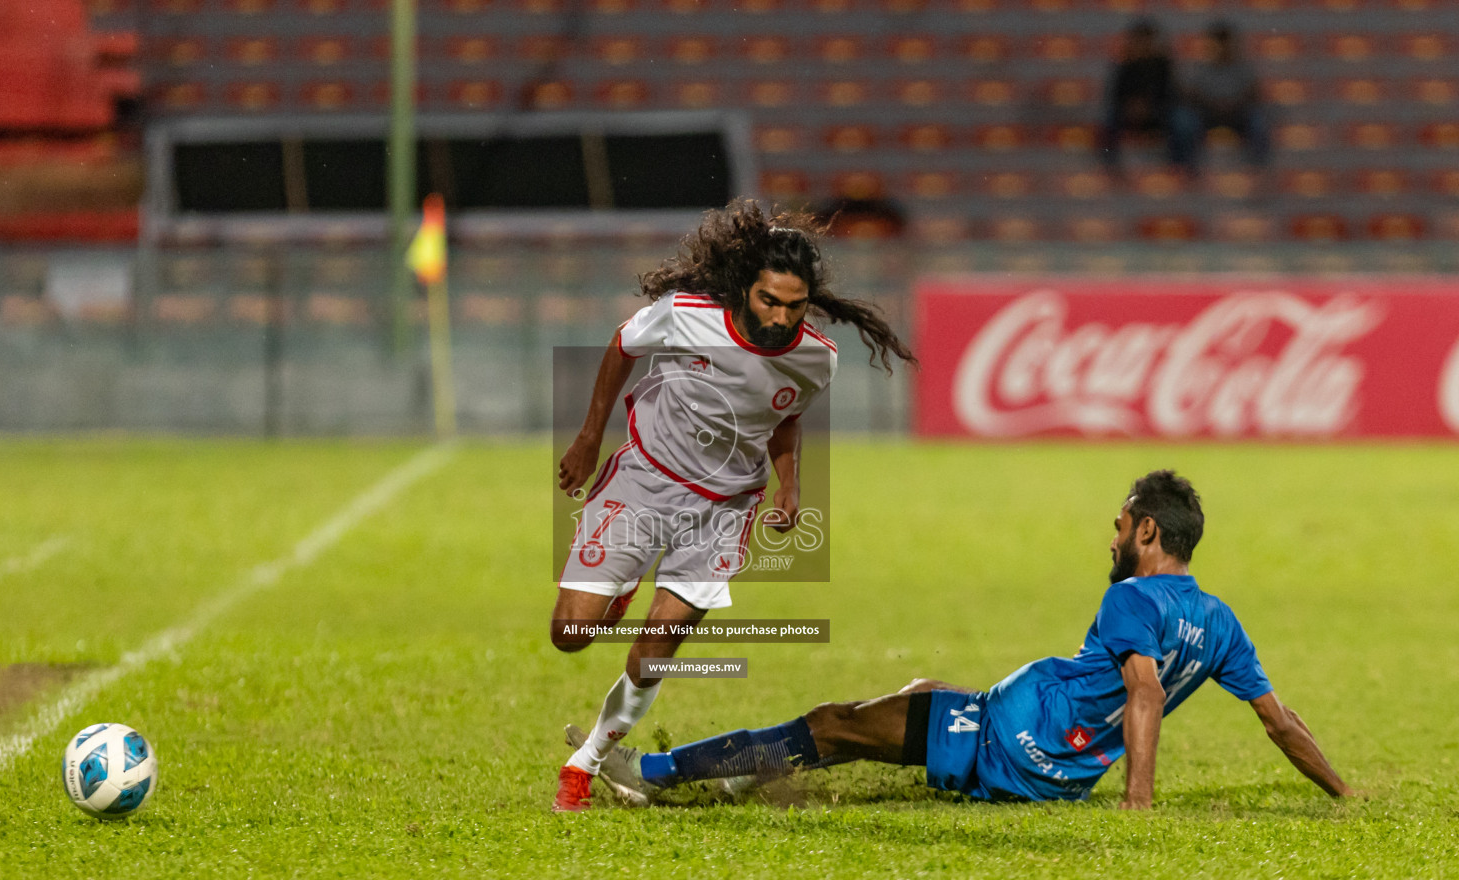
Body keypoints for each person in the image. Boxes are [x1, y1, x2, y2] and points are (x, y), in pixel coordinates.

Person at [583, 470, 1354, 810]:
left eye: (1120, 526)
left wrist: (1139, 803)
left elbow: (1144, 689)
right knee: (918, 693)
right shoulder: (1217, 620)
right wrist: (1343, 793)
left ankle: (652, 772)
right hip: (1050, 752)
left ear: (1147, 532)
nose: (1111, 536)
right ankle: (738, 777)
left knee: (832, 724)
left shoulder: (1132, 599)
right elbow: (1280, 723)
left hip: (1013, 743)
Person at [550, 199, 915, 813]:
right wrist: (589, 436)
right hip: (644, 478)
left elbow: (784, 417)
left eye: (794, 306)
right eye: (769, 300)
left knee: (657, 647)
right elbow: (621, 347)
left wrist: (790, 485)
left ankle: (584, 764)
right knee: (570, 634)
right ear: (747, 287)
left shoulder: (816, 358)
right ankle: (620, 587)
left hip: (723, 508)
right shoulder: (688, 317)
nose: (780, 317)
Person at [1175, 21, 1270, 173]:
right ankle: (1186, 167)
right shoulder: (1200, 68)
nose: (1222, 48)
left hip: (1237, 114)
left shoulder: (1244, 67)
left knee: (1258, 120)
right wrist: (1211, 103)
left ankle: (1259, 168)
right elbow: (1190, 93)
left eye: (1226, 43)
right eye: (1218, 42)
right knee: (1183, 120)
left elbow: (1253, 93)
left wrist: (1233, 103)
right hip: (1207, 114)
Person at [1098, 19, 1186, 174]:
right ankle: (1111, 169)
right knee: (1107, 123)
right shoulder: (1124, 66)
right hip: (1128, 113)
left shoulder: (1163, 65)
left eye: (1146, 40)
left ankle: (1180, 168)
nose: (1142, 45)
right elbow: (1114, 95)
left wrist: (1149, 107)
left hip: (1158, 113)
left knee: (1182, 123)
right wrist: (1130, 107)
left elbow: (1171, 95)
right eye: (1139, 40)